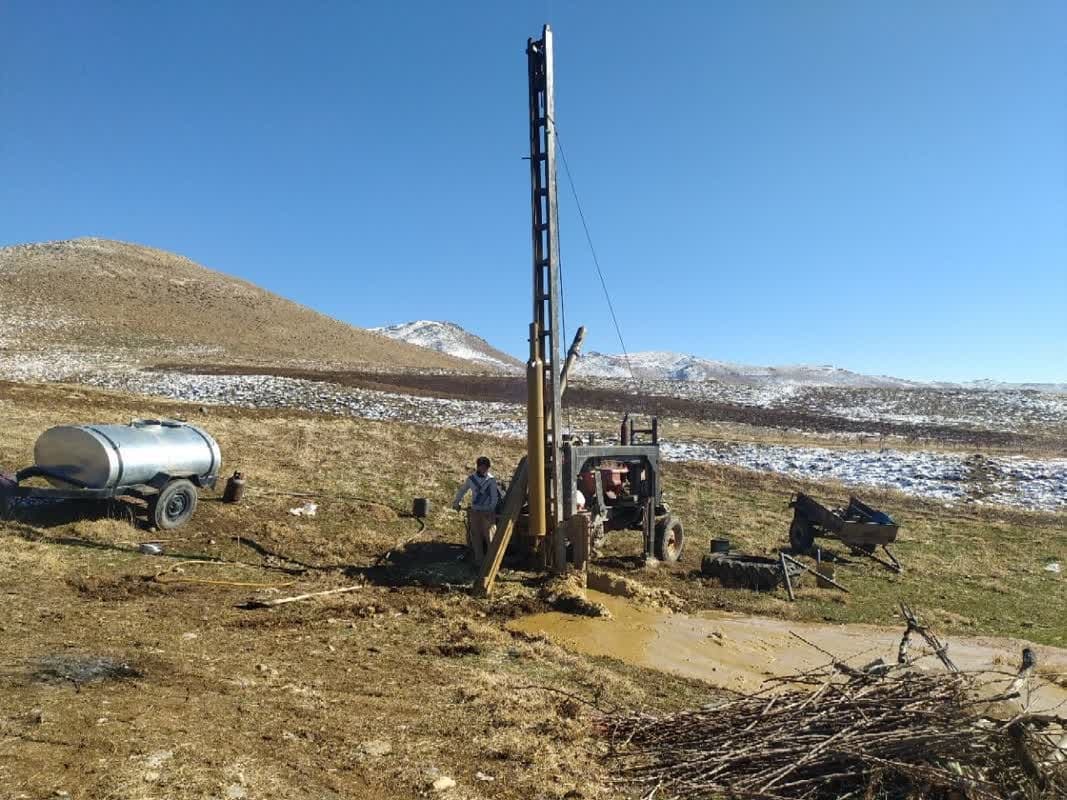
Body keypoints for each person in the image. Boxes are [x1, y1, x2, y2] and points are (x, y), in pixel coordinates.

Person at [452, 456, 502, 563]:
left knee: (490, 536)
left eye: (486, 467)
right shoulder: (471, 479)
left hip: (488, 512)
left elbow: (494, 497)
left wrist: (490, 509)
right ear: (478, 467)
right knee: (476, 536)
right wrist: (456, 502)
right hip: (475, 511)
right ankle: (479, 560)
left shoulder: (491, 480)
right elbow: (462, 491)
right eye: (482, 467)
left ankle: (493, 561)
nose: (484, 469)